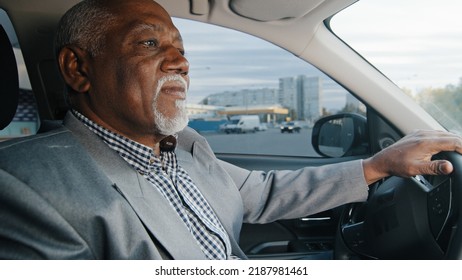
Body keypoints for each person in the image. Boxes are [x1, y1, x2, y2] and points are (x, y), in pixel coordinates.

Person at [0, 0, 461, 259]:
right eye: (148, 43)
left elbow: (258, 192)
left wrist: (376, 166)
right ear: (78, 68)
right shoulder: (21, 185)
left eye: (180, 48)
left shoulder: (184, 148)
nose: (181, 61)